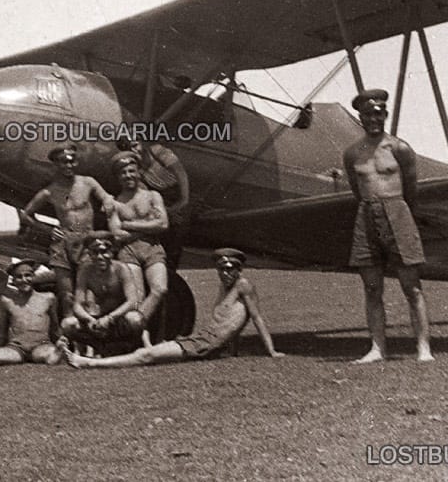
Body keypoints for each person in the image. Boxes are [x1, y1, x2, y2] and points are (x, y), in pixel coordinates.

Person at [64, 248, 284, 368]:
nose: (225, 273)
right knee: (149, 351)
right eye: (221, 268)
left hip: (204, 345)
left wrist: (271, 351)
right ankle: (92, 360)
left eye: (230, 268)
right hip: (201, 339)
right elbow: (232, 320)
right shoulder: (226, 287)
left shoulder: (244, 286)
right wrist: (233, 351)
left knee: (146, 355)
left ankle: (89, 363)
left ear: (239, 269)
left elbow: (256, 318)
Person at [343, 89, 433, 364]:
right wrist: (372, 209)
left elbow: (412, 190)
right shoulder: (352, 153)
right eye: (368, 114)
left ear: (386, 114)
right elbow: (357, 189)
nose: (374, 118)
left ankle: (423, 348)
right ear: (360, 116)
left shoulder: (400, 148)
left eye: (379, 113)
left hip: (398, 211)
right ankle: (377, 348)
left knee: (411, 286)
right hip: (366, 214)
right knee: (372, 287)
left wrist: (402, 217)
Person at [20, 143, 115, 317]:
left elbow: (107, 198)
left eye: (72, 161)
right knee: (67, 294)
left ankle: (91, 335)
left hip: (87, 243)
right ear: (56, 164)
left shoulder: (88, 182)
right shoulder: (49, 192)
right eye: (64, 162)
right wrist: (47, 229)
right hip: (63, 243)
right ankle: (69, 337)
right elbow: (25, 215)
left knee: (89, 291)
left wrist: (108, 205)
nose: (68, 165)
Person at [108, 151, 169, 326]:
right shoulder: (114, 203)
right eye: (123, 172)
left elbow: (163, 225)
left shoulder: (153, 196)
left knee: (160, 289)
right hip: (128, 252)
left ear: (139, 172)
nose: (128, 176)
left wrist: (128, 225)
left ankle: (132, 326)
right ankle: (137, 335)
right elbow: (116, 236)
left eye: (131, 171)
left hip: (152, 249)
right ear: (117, 176)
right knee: (136, 297)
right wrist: (149, 225)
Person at [116, 136, 191, 271]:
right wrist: (165, 211)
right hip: (164, 199)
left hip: (180, 191)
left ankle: (170, 267)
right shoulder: (136, 169)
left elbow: (181, 173)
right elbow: (143, 190)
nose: (134, 150)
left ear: (141, 143)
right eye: (129, 149)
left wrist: (183, 200)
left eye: (135, 145)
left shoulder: (157, 151)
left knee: (177, 230)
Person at [61, 238, 144, 352]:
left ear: (111, 253)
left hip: (117, 318)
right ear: (89, 254)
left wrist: (110, 318)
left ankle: (128, 348)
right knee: (68, 324)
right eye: (95, 252)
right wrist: (89, 319)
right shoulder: (85, 271)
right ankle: (98, 347)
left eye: (104, 252)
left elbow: (132, 301)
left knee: (135, 319)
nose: (100, 257)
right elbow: (77, 305)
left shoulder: (121, 269)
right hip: (96, 319)